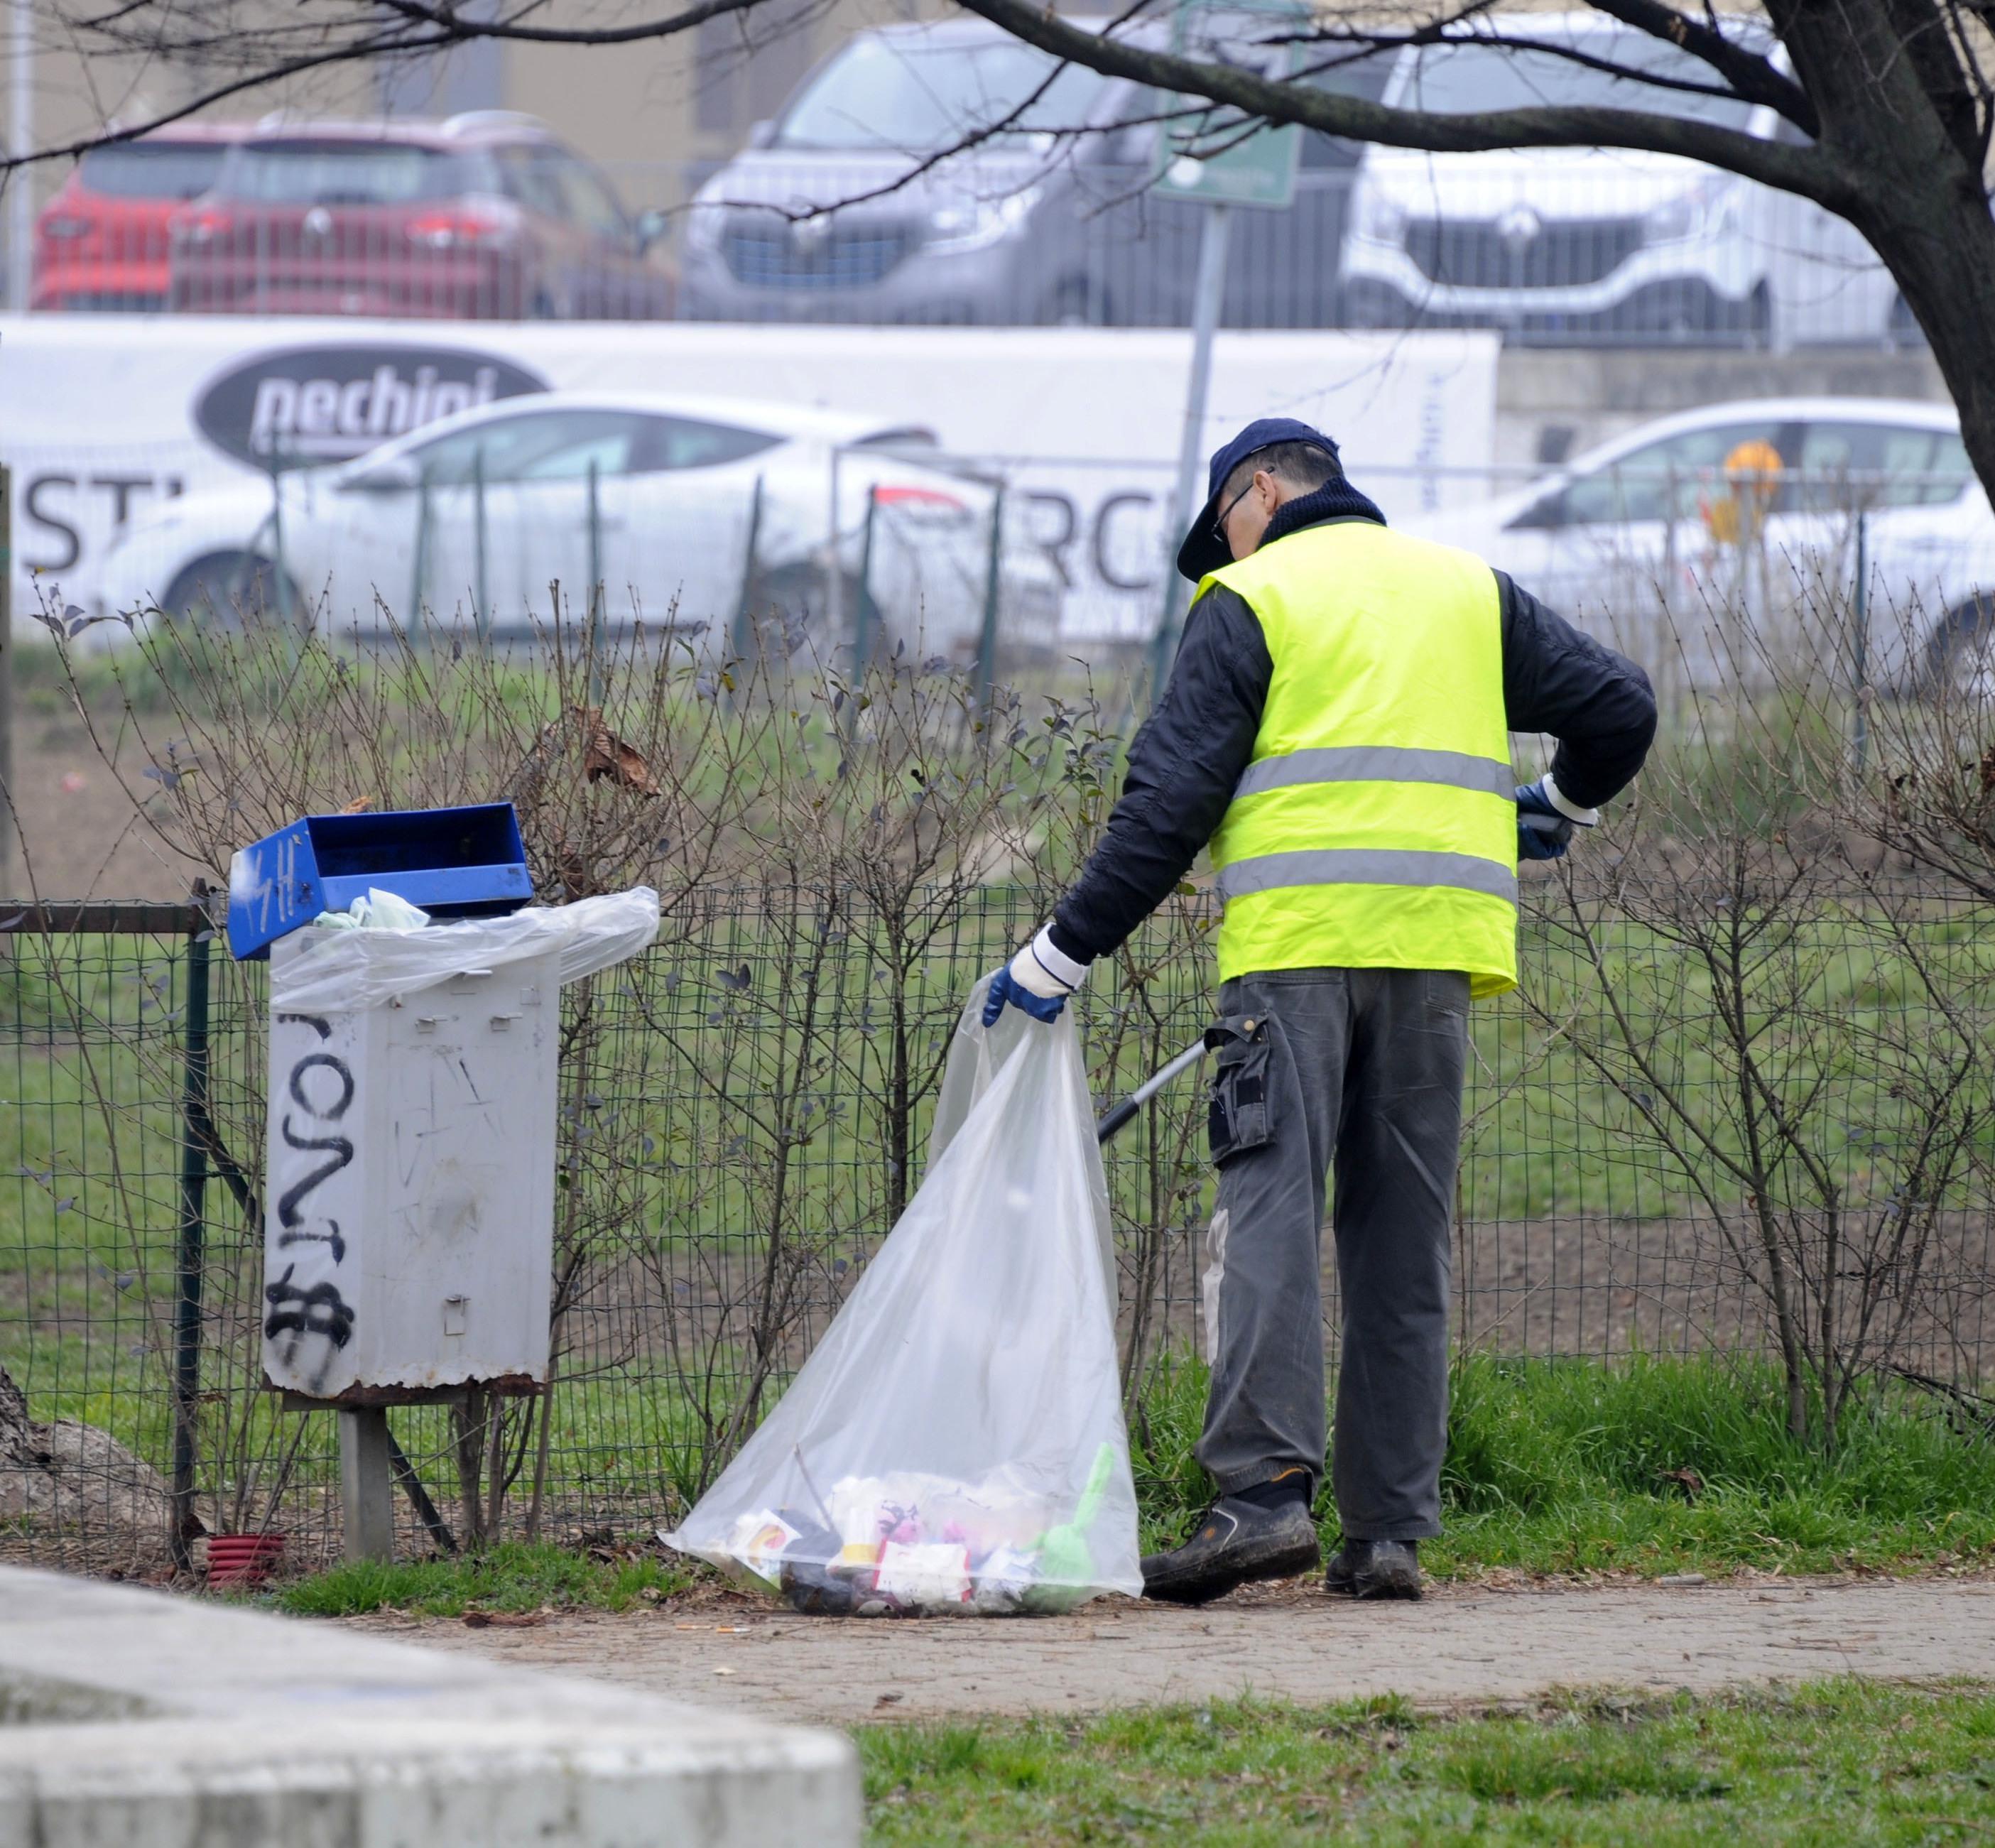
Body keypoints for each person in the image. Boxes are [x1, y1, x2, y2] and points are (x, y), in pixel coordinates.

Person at [985, 418, 1656, 1606]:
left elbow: (1169, 802)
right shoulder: (1466, 590)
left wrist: (1058, 953)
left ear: (1255, 493)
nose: (1222, 555)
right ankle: (1388, 1532)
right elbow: (1622, 708)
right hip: (1439, 957)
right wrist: (1555, 799)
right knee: (1402, 1241)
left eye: (1221, 533)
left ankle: (1258, 1503)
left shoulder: (1254, 599)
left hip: (1294, 958)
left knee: (1268, 1220)